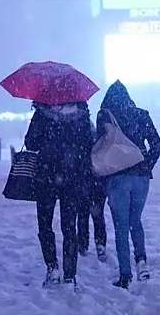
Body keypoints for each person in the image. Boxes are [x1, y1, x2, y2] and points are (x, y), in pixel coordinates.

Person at [96, 80, 160, 289]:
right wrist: (145, 163)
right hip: (141, 177)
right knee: (136, 220)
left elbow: (99, 146)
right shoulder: (142, 114)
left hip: (117, 177)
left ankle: (125, 275)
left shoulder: (105, 115)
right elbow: (157, 143)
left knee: (121, 226)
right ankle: (141, 261)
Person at [25, 101, 94, 290]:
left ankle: (52, 268)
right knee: (69, 227)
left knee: (45, 224)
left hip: (46, 176)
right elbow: (89, 144)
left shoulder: (42, 114)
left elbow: (30, 142)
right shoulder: (81, 115)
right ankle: (70, 275)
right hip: (72, 178)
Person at [77, 121, 107, 262]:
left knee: (82, 214)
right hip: (98, 180)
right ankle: (100, 244)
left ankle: (82, 243)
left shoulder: (77, 138)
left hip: (82, 181)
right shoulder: (98, 138)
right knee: (98, 215)